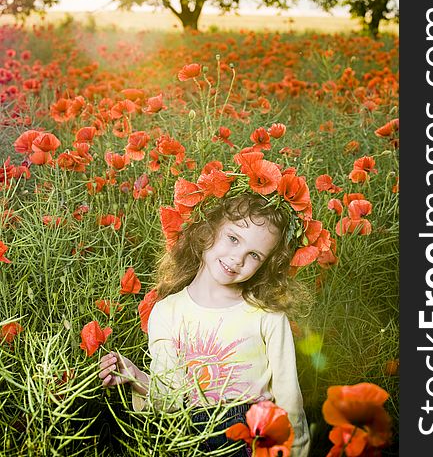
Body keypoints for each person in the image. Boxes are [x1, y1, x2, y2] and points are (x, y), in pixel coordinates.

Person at [99, 157, 316, 457]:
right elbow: (169, 397)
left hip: (255, 437)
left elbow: (289, 398)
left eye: (254, 255)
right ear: (206, 230)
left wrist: (297, 453)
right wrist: (134, 375)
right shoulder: (167, 312)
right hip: (190, 438)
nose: (237, 258)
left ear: (266, 264)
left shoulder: (267, 315)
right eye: (233, 238)